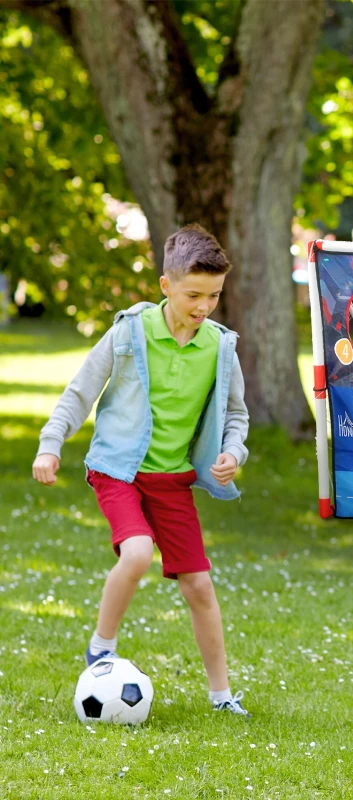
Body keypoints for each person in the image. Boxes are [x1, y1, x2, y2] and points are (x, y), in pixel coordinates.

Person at [32, 223, 251, 717]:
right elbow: (80, 392)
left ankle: (221, 696)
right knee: (135, 554)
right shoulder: (129, 332)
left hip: (171, 479)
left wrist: (233, 454)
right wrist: (50, 445)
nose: (203, 306)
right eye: (194, 294)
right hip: (119, 469)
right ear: (165, 285)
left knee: (199, 585)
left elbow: (236, 415)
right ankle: (100, 650)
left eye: (214, 296)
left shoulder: (220, 347)